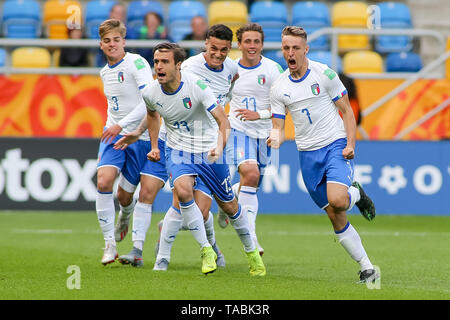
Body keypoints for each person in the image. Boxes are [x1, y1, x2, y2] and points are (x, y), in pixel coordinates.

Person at [142, 42, 266, 276]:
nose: (159, 66)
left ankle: (251, 253)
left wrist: (219, 148)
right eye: (156, 61)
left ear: (178, 65)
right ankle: (206, 250)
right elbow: (151, 115)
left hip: (208, 150)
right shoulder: (150, 92)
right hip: (178, 151)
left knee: (230, 206)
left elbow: (223, 121)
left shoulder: (196, 86)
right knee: (183, 191)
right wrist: (155, 145)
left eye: (165, 62)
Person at [267, 26, 377, 283]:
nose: (290, 53)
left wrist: (351, 144)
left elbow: (347, 112)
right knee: (334, 214)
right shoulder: (279, 87)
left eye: (296, 47)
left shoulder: (324, 74)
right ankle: (366, 267)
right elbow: (279, 128)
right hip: (307, 154)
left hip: (334, 144)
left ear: (306, 49)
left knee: (338, 199)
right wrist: (274, 139)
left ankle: (355, 193)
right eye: (286, 48)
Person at [153, 24, 239, 268]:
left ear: (229, 49)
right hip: (181, 142)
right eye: (213, 48)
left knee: (201, 213)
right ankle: (164, 258)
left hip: (210, 143)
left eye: (223, 50)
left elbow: (228, 89)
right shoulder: (189, 67)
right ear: (205, 45)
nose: (218, 54)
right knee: (180, 198)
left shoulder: (231, 68)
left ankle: (179, 230)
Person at [96, 19, 164, 267]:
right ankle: (109, 246)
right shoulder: (104, 72)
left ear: (123, 41)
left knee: (125, 196)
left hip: (141, 136)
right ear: (101, 45)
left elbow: (149, 100)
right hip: (113, 133)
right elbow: (113, 106)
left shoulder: (136, 62)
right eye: (107, 41)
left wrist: (122, 125)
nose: (112, 44)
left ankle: (125, 215)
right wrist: (112, 126)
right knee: (103, 181)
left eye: (116, 40)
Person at [217, 23, 284, 256]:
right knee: (251, 174)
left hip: (264, 134)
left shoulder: (274, 70)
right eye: (248, 41)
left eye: (256, 41)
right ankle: (252, 240)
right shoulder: (230, 69)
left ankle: (228, 200)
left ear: (262, 44)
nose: (252, 46)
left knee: (251, 184)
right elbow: (217, 97)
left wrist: (267, 120)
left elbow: (283, 104)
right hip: (238, 130)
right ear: (239, 44)